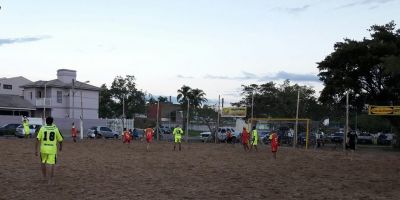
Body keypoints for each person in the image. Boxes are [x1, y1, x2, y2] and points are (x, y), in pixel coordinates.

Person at [35, 116, 63, 184]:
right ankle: (50, 180)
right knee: (51, 164)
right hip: (52, 149)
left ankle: (44, 177)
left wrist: (36, 149)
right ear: (52, 122)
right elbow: (60, 140)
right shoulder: (55, 129)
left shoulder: (42, 128)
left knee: (43, 162)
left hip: (43, 148)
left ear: (46, 122)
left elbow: (37, 139)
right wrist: (60, 147)